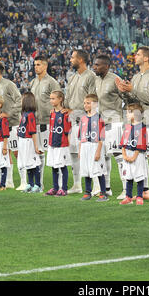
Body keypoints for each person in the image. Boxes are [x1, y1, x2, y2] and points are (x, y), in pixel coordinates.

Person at [115, 46, 149, 201]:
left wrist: (133, 90)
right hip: (137, 123)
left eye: (138, 54)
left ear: (146, 58)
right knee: (141, 156)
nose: (134, 56)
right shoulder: (136, 77)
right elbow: (132, 101)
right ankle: (145, 190)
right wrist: (123, 92)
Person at [63, 49, 96, 195]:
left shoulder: (91, 77)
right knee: (73, 153)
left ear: (81, 60)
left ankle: (96, 184)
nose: (70, 59)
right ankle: (77, 184)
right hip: (72, 121)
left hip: (85, 120)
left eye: (73, 57)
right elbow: (67, 98)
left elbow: (93, 100)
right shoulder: (72, 78)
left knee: (88, 153)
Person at [93, 54, 126, 199]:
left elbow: (126, 97)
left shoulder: (115, 79)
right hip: (101, 122)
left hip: (115, 121)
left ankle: (126, 189)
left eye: (97, 65)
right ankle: (106, 188)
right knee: (104, 156)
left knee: (118, 155)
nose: (94, 67)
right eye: (94, 64)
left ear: (106, 66)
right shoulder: (96, 79)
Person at [0, 60, 23, 189]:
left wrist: (9, 113)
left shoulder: (8, 85)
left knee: (17, 152)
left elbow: (19, 100)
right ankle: (8, 181)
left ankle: (24, 181)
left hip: (13, 123)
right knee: (6, 153)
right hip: (1, 126)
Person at [30, 55, 62, 191]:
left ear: (45, 66)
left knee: (54, 154)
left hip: (49, 123)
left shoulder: (52, 82)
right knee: (38, 153)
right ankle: (39, 184)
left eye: (38, 65)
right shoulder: (33, 82)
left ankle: (60, 185)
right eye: (35, 65)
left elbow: (59, 101)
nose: (36, 67)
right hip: (36, 122)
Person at [78, 94, 108, 202]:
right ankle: (87, 192)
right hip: (85, 146)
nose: (85, 105)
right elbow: (81, 136)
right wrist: (80, 150)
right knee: (86, 170)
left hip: (95, 146)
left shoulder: (99, 118)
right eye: (85, 103)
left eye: (88, 103)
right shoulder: (83, 119)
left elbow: (101, 138)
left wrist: (98, 152)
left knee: (99, 170)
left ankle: (103, 193)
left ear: (95, 104)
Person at [119, 103, 149, 206]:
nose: (126, 114)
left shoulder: (142, 128)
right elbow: (123, 143)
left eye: (128, 112)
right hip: (127, 155)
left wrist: (134, 157)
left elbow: (141, 145)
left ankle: (139, 196)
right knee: (129, 177)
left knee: (139, 177)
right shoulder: (127, 127)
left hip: (138, 156)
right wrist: (124, 155)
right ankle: (128, 197)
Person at [44, 91, 72, 197]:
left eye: (53, 98)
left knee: (62, 166)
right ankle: (55, 188)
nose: (51, 101)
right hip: (52, 143)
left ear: (60, 99)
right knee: (53, 166)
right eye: (50, 98)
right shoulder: (52, 113)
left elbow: (68, 130)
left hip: (62, 144)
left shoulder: (65, 114)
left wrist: (67, 142)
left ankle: (64, 189)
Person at [17, 92, 43, 193]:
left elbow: (33, 132)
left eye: (22, 99)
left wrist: (35, 147)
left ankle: (37, 185)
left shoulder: (31, 115)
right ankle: (30, 184)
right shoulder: (24, 114)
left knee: (34, 163)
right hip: (23, 141)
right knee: (27, 163)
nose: (20, 101)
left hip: (29, 142)